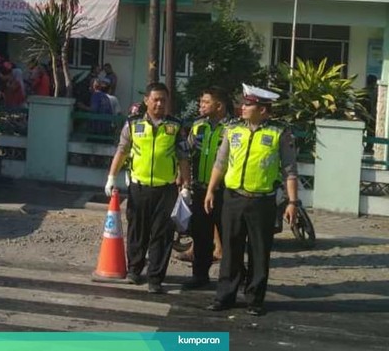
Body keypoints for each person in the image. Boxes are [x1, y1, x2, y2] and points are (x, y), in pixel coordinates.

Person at [204, 84, 298, 316]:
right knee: (230, 250)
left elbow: (290, 171)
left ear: (263, 110)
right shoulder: (233, 129)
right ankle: (224, 296)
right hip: (233, 198)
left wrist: (292, 202)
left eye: (248, 104)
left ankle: (255, 299)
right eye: (244, 103)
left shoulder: (279, 133)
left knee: (259, 251)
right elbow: (220, 163)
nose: (242, 108)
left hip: (262, 202)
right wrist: (210, 190)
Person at [105, 82, 191, 294]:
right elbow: (122, 150)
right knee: (137, 230)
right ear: (147, 101)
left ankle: (155, 277)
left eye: (163, 100)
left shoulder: (176, 126)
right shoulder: (133, 124)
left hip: (166, 189)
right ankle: (134, 270)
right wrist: (111, 177)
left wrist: (186, 186)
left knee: (162, 235)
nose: (159, 103)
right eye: (155, 99)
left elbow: (183, 158)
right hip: (139, 187)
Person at [182, 86, 233, 290]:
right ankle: (199, 275)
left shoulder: (234, 128)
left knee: (228, 237)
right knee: (201, 234)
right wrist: (182, 179)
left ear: (219, 105)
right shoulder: (198, 126)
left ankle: (230, 279)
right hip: (200, 189)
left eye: (206, 102)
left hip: (225, 192)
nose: (201, 105)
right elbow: (187, 152)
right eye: (201, 102)